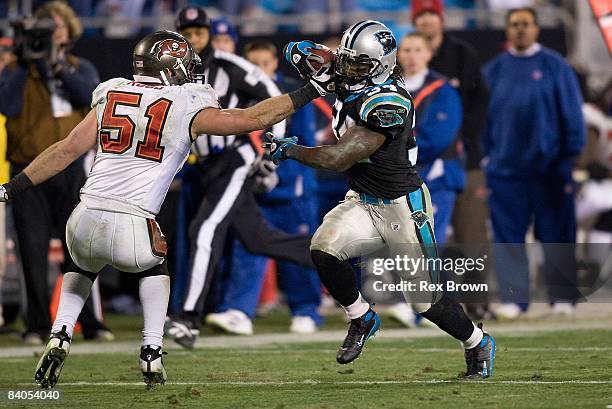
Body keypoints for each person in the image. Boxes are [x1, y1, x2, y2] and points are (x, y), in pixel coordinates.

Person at [0, 29, 326, 388]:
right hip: (133, 224)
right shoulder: (185, 103)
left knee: (82, 262)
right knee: (156, 264)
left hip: (83, 215)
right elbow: (253, 119)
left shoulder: (111, 92)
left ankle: (60, 332)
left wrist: (10, 188)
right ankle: (151, 349)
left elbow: (64, 151)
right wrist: (312, 90)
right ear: (170, 66)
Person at [275, 21, 495, 379]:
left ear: (382, 64)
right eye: (348, 61)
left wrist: (292, 150)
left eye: (359, 64)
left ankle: (476, 341)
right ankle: (361, 317)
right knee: (323, 248)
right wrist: (321, 58)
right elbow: (293, 50)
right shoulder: (352, 73)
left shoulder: (388, 102)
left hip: (403, 208)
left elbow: (338, 158)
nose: (349, 70)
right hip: (363, 199)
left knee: (424, 302)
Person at [165, 6, 315, 349]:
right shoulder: (172, 72)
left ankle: (188, 318)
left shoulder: (233, 68)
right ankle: (332, 255)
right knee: (259, 240)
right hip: (200, 167)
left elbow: (276, 100)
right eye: (187, 34)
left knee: (203, 230)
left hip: (234, 159)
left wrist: (269, 153)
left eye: (199, 33)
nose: (193, 40)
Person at [0, 1, 109, 344]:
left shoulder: (80, 66)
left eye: (58, 25)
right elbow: (8, 106)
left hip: (71, 170)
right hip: (29, 170)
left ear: (70, 30)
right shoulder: (16, 69)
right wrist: (24, 65)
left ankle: (90, 321)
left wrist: (57, 69)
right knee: (30, 249)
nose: (53, 31)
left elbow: (89, 99)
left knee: (79, 247)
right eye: (46, 26)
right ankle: (36, 323)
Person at [207, 41, 322, 335]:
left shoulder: (294, 94)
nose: (259, 68)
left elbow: (307, 140)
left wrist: (288, 176)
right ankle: (240, 310)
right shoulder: (240, 95)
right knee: (248, 248)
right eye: (253, 63)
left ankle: (306, 309)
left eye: (265, 62)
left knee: (297, 247)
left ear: (274, 63)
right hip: (253, 184)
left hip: (290, 188)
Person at [482, 8, 585, 318]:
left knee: (556, 233)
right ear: (507, 30)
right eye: (514, 25)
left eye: (525, 24)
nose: (520, 30)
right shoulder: (494, 70)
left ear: (537, 29)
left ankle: (563, 298)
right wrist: (489, 157)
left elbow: (573, 116)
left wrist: (569, 157)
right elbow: (482, 122)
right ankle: (515, 299)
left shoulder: (556, 67)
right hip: (505, 171)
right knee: (508, 238)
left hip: (550, 169)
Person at [412, 0, 492, 319]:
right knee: (425, 234)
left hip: (464, 159)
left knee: (470, 231)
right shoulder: (407, 59)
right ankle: (437, 303)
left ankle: (478, 301)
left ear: (442, 19)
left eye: (432, 15)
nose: (428, 21)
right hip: (422, 163)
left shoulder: (462, 54)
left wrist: (461, 138)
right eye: (422, 16)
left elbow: (480, 101)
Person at [388, 32, 463, 327]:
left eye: (418, 49)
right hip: (400, 177)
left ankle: (421, 308)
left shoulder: (443, 91)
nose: (411, 55)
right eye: (406, 50)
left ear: (428, 53)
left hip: (436, 177)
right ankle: (440, 309)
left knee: (428, 241)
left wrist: (392, 146)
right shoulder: (390, 88)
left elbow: (438, 138)